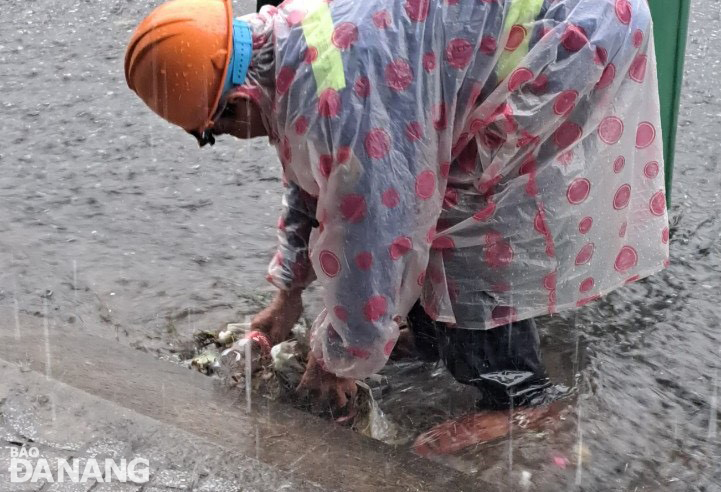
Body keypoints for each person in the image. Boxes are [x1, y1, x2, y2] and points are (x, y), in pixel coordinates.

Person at [125, 0, 670, 449]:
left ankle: (521, 399)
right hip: (517, 30)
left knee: (463, 220)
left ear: (238, 103)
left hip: (568, 34)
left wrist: (342, 358)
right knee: (425, 195)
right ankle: (435, 340)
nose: (227, 141)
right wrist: (288, 296)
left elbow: (378, 234)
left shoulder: (337, 98)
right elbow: (313, 176)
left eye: (210, 134)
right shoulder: (290, 45)